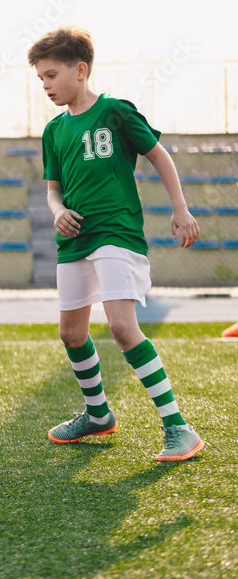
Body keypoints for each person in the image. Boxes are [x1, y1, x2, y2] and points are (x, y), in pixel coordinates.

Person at [28, 26, 204, 461]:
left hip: (116, 233)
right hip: (74, 241)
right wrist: (56, 211)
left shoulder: (115, 112)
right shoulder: (53, 132)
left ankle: (178, 426)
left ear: (80, 69)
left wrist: (180, 209)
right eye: (40, 79)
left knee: (123, 328)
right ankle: (98, 414)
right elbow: (53, 189)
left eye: (51, 75)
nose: (46, 85)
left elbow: (159, 154)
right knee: (71, 333)